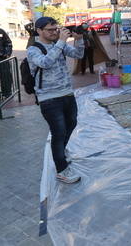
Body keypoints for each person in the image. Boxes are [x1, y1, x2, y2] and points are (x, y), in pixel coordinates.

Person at [27, 17, 84, 184]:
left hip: (67, 93)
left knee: (71, 124)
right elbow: (45, 62)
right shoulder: (33, 49)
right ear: (39, 31)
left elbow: (78, 54)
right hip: (49, 98)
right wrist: (61, 42)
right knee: (58, 133)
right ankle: (62, 169)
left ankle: (61, 152)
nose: (54, 32)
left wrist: (79, 40)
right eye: (50, 30)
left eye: (56, 29)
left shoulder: (58, 44)